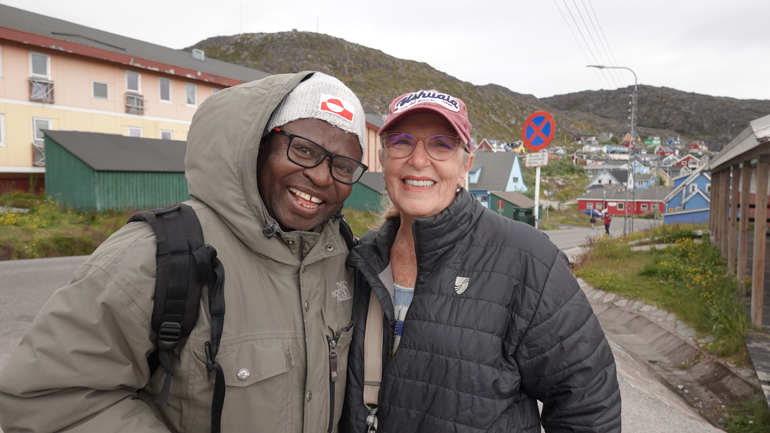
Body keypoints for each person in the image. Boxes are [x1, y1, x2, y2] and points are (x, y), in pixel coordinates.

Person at [0, 72, 367, 433]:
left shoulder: (343, 261)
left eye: (343, 166)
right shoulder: (157, 253)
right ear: (257, 145)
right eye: (304, 150)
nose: (322, 177)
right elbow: (49, 400)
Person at [341, 90, 621, 432]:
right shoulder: (363, 257)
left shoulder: (528, 259)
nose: (418, 160)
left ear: (465, 165)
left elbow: (587, 406)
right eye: (401, 142)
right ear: (382, 158)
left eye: (441, 144)